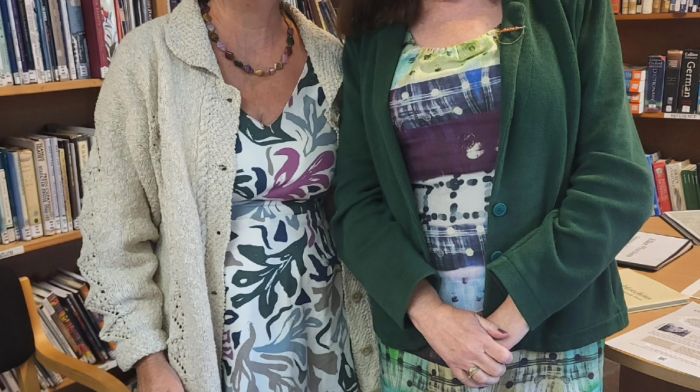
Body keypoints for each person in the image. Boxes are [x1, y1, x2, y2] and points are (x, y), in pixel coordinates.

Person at [332, 0, 654, 390]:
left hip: (548, 340)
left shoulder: (569, 8)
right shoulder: (372, 28)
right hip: (422, 346)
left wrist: (502, 326)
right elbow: (355, 199)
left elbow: (618, 177)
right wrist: (429, 312)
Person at [76, 0, 377, 391]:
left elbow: (359, 202)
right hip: (216, 353)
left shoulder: (331, 56)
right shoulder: (147, 59)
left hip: (329, 330)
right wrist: (148, 358)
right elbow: (112, 234)